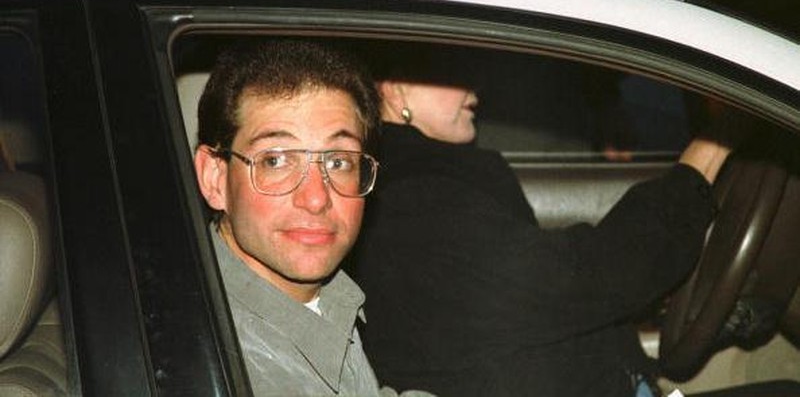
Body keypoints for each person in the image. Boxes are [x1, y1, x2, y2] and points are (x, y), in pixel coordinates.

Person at [354, 72, 735, 396]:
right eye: (452, 73)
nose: (474, 87)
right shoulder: (414, 204)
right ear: (394, 89)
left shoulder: (421, 186)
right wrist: (711, 150)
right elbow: (586, 277)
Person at [193, 39, 410, 396]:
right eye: (276, 160)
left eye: (338, 161)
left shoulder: (317, 300)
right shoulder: (228, 362)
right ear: (215, 178)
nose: (315, 198)